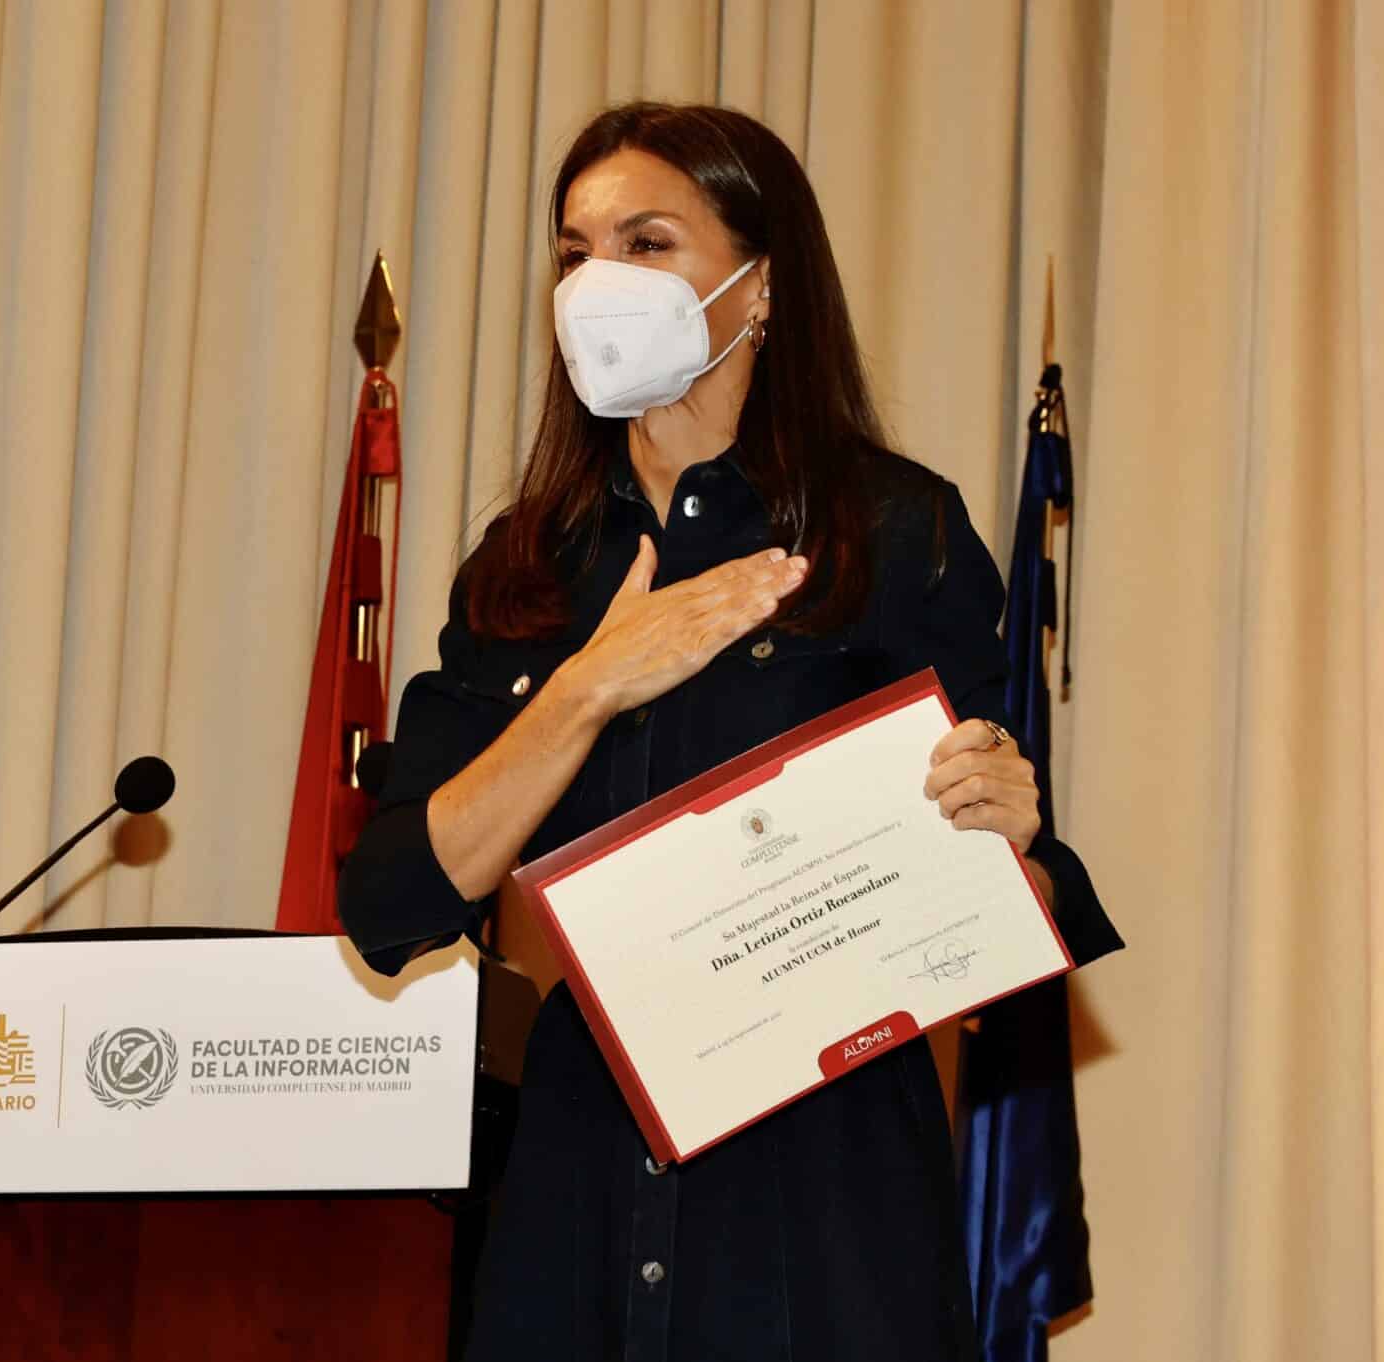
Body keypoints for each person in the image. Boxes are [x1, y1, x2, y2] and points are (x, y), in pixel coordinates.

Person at [340, 101, 1122, 1362]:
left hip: (825, 1200)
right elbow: (390, 902)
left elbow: (1014, 920)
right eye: (573, 250)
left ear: (760, 286)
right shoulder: (526, 566)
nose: (598, 280)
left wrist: (1005, 838)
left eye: (645, 242)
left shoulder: (893, 529)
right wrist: (591, 684)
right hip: (577, 1194)